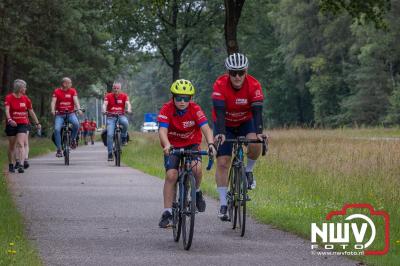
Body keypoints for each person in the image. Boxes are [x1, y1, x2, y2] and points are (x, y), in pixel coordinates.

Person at [212, 53, 267, 221]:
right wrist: (220, 132)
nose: (237, 76)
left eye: (241, 72)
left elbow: (257, 113)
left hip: (245, 122)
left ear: (246, 71)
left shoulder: (254, 85)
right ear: (228, 72)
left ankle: (248, 171)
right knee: (223, 162)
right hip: (225, 124)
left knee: (256, 142)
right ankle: (223, 203)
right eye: (233, 72)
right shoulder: (220, 84)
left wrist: (259, 133)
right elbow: (220, 111)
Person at [157, 79, 216, 228]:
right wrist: (167, 145)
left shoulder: (195, 109)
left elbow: (206, 129)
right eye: (178, 98)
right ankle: (167, 212)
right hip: (172, 146)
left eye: (186, 98)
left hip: (192, 144)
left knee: (196, 169)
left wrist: (210, 144)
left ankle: (196, 191)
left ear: (191, 98)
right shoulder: (167, 109)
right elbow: (162, 131)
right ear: (173, 97)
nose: (182, 101)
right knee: (171, 175)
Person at [4, 79, 41, 173]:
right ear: (20, 88)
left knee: (21, 143)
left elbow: (31, 112)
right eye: (24, 87)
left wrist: (37, 123)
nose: (25, 89)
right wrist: (10, 120)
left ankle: (20, 164)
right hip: (11, 123)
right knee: (12, 146)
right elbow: (7, 110)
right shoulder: (9, 97)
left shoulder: (26, 99)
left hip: (22, 123)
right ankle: (11, 164)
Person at [51, 77, 82, 157]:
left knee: (76, 124)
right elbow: (53, 101)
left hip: (71, 113)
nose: (71, 84)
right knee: (57, 129)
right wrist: (52, 110)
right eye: (69, 83)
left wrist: (78, 109)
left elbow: (76, 100)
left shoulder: (72, 91)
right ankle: (59, 149)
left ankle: (73, 140)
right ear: (64, 84)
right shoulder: (57, 91)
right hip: (60, 114)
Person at [103, 82, 131, 161]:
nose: (116, 90)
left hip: (121, 116)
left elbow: (128, 104)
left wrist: (128, 109)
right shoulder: (108, 96)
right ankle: (110, 153)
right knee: (110, 134)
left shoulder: (124, 96)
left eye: (117, 88)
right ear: (112, 89)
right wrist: (104, 110)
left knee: (125, 123)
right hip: (111, 117)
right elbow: (104, 104)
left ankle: (124, 137)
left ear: (120, 89)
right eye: (114, 88)